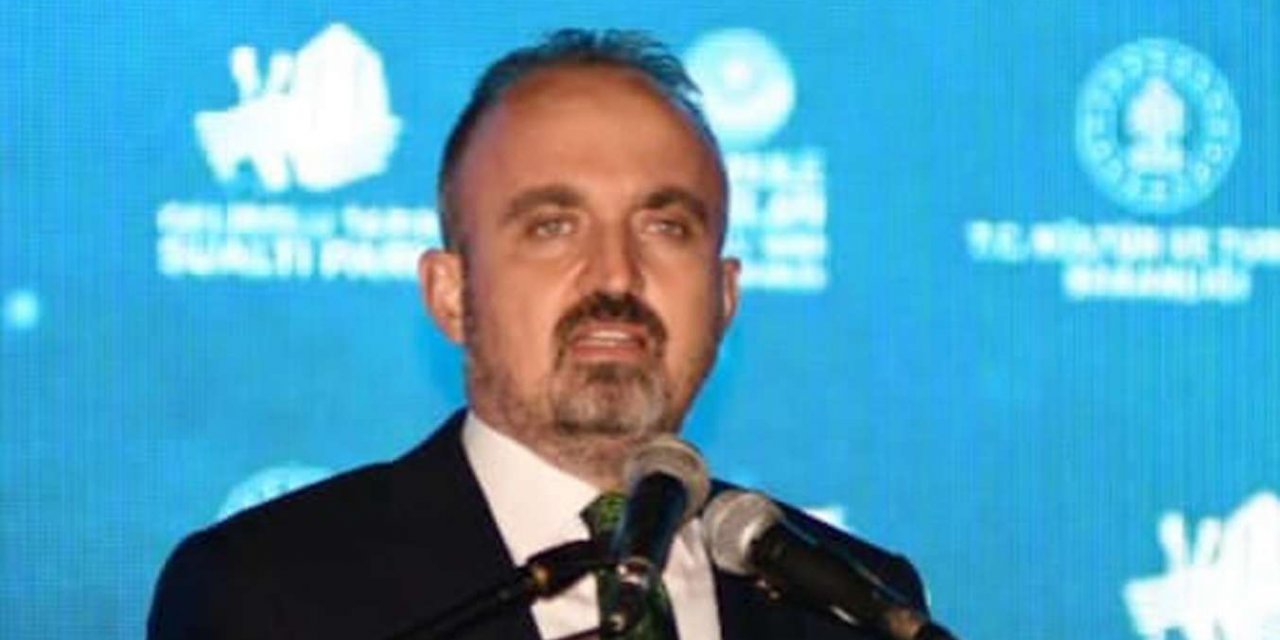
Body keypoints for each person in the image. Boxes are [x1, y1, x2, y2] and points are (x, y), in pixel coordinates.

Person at [148, 28, 929, 640]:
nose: (616, 274)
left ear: (724, 297)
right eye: (553, 226)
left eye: (665, 227)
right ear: (451, 294)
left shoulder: (856, 606)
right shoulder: (266, 591)